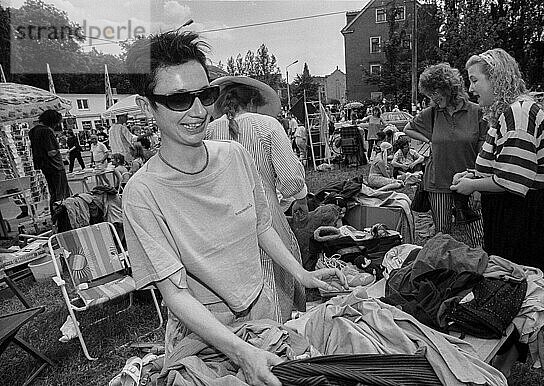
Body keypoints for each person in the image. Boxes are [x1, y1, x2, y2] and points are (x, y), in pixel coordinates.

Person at [123, 31, 346, 385]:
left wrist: (302, 274)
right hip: (205, 338)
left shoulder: (236, 156)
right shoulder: (142, 194)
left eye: (205, 95)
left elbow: (261, 227)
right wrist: (241, 352)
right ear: (145, 106)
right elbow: (176, 295)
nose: (199, 111)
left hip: (264, 314)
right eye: (180, 99)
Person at [452, 48, 544, 375]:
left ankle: (508, 359)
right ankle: (507, 354)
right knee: (507, 279)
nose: (471, 89)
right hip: (519, 211)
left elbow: (513, 181)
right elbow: (503, 168)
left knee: (518, 284)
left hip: (529, 215)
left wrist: (472, 186)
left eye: (475, 81)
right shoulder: (507, 112)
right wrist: (473, 176)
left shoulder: (518, 113)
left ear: (496, 78)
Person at [207, 76, 309, 322]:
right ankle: (273, 335)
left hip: (222, 221)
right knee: (271, 276)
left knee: (235, 283)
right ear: (253, 100)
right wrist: (301, 198)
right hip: (266, 216)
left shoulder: (209, 131)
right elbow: (290, 179)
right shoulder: (268, 125)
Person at [404, 63, 486, 248]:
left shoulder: (476, 112)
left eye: (435, 91)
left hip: (469, 179)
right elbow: (408, 128)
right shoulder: (432, 114)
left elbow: (483, 149)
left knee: (477, 231)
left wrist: (479, 181)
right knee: (442, 232)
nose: (432, 97)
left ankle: (481, 266)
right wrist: (430, 139)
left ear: (448, 87)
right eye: (429, 93)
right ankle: (444, 267)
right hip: (437, 181)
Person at [28, 109, 71, 215]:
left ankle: (55, 217)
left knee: (54, 193)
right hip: (55, 166)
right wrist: (59, 149)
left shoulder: (33, 131)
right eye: (57, 123)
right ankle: (63, 217)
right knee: (61, 195)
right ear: (52, 121)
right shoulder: (47, 131)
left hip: (45, 166)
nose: (57, 126)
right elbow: (51, 152)